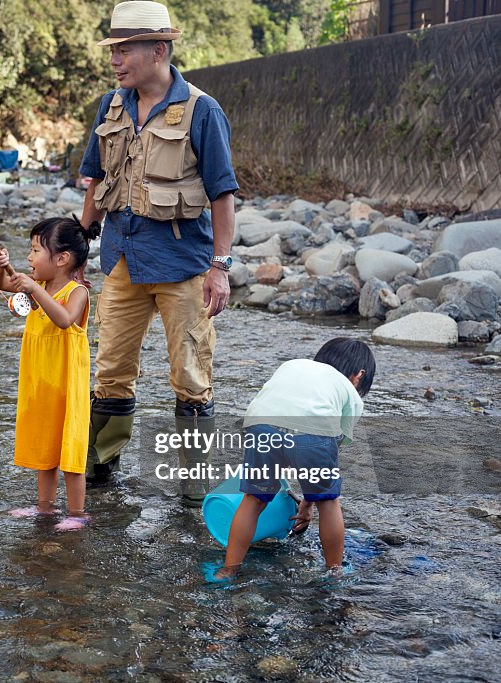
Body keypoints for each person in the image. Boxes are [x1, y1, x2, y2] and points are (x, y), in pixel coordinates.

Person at [78, 1, 239, 506]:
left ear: (159, 50)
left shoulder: (202, 110)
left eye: (125, 49)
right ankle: (101, 476)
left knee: (191, 379)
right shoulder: (110, 105)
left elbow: (222, 195)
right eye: (114, 49)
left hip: (184, 269)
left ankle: (194, 493)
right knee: (109, 372)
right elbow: (96, 181)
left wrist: (220, 268)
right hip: (122, 262)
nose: (116, 59)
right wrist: (77, 250)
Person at [213, 338, 376, 581]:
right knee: (329, 502)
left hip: (260, 424)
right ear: (359, 375)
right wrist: (311, 502)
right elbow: (329, 450)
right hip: (314, 431)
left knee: (253, 500)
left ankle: (228, 570)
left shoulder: (293, 365)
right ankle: (335, 573)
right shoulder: (349, 392)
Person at [0, 218, 100, 531]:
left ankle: (77, 513)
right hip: (40, 382)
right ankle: (45, 508)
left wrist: (35, 288)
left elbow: (64, 319)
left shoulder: (75, 291)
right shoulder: (38, 287)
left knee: (70, 448)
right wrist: (1, 266)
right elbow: (1, 284)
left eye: (35, 250)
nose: (29, 258)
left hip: (67, 385)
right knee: (45, 446)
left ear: (61, 259)